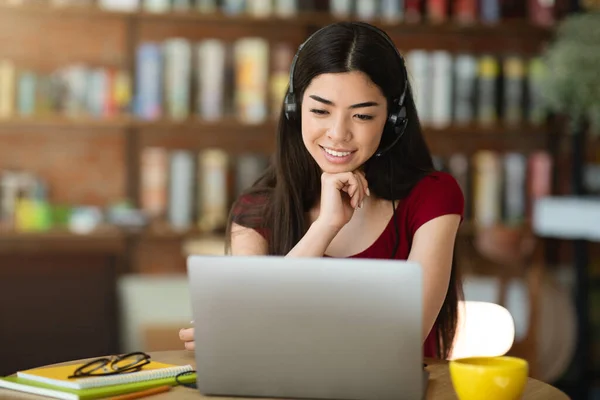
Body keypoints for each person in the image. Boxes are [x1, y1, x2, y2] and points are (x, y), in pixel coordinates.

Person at [180, 21, 464, 359]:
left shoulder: (433, 197)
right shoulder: (257, 208)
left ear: (393, 121)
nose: (338, 133)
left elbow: (404, 336)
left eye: (362, 117)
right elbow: (247, 325)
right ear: (295, 109)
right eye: (320, 111)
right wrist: (326, 226)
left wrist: (258, 327)